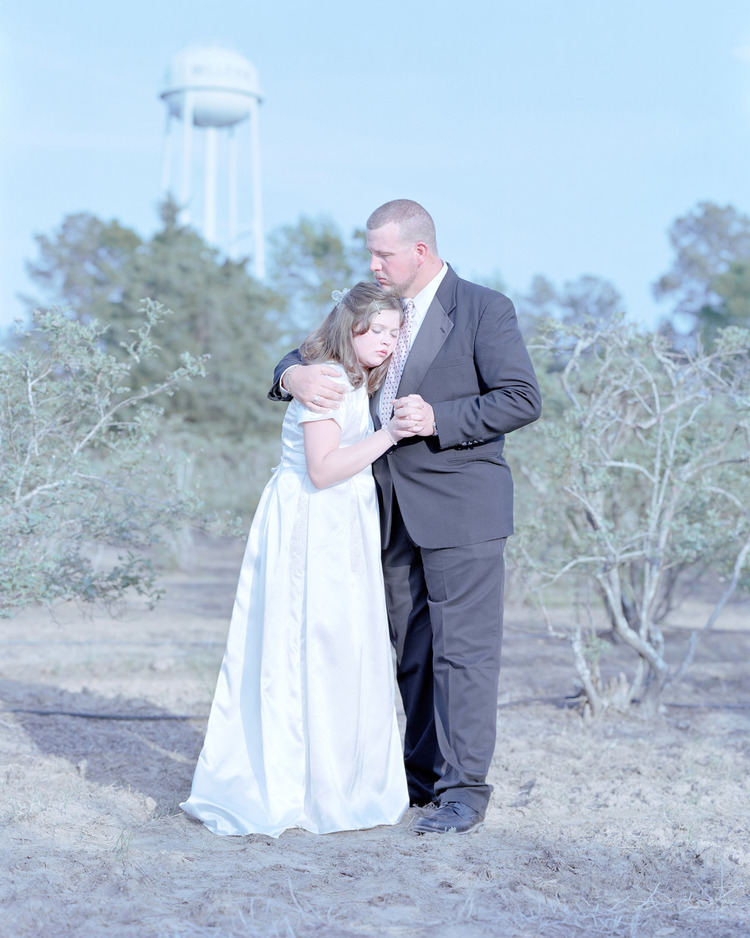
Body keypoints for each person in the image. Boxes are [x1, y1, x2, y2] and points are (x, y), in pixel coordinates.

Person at [270, 200, 542, 834]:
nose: (372, 264)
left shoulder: (484, 308)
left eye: (382, 253)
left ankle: (465, 792)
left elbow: (522, 398)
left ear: (419, 251)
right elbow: (298, 357)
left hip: (461, 510)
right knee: (409, 652)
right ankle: (420, 779)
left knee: (463, 655)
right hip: (378, 511)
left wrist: (443, 419)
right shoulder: (369, 306)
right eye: (370, 253)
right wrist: (294, 377)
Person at [181, 282, 417, 838]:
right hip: (316, 526)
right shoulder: (331, 380)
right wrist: (389, 435)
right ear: (349, 327)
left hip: (339, 523)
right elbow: (323, 470)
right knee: (313, 644)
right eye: (375, 330)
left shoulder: (351, 375)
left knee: (339, 647)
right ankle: (309, 786)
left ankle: (340, 779)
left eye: (392, 332)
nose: (385, 342)